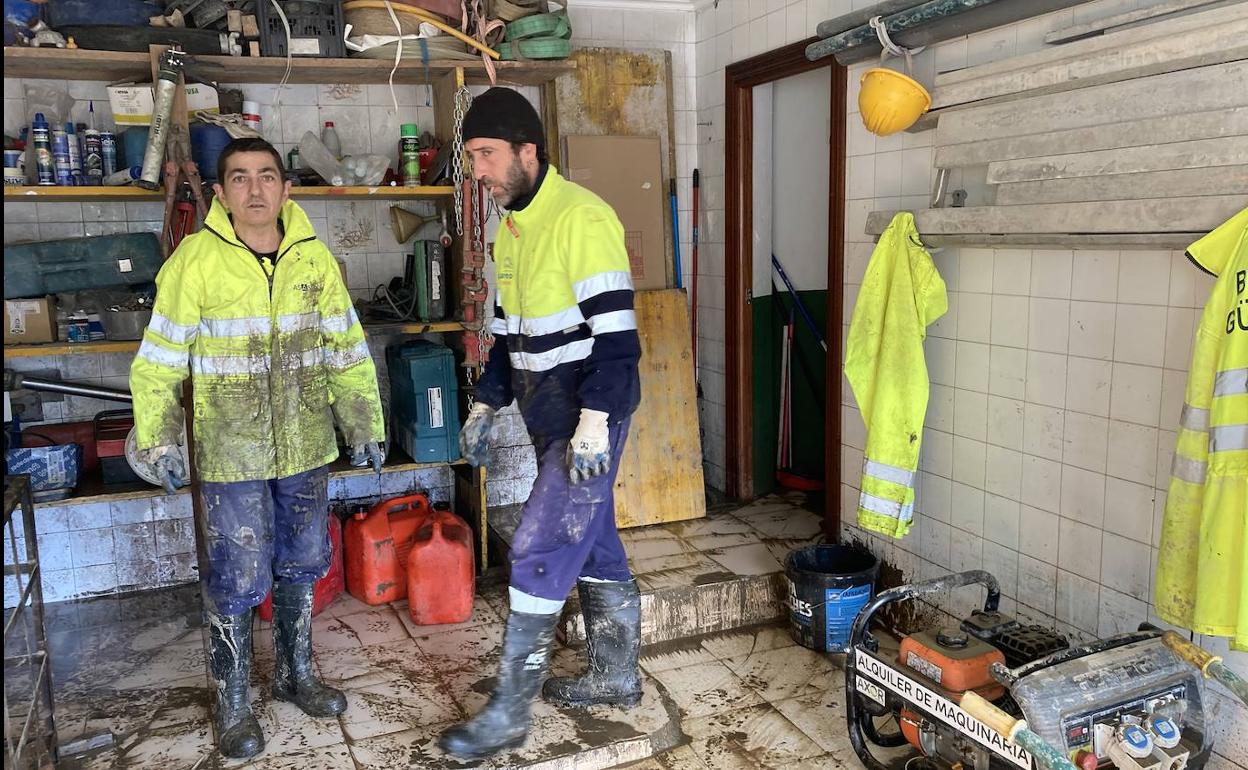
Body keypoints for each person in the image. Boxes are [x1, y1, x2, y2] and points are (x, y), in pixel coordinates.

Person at [129, 138, 386, 759]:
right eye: (239, 178)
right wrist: (160, 438)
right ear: (221, 193)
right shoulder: (195, 262)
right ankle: (233, 699)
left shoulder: (314, 260)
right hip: (231, 452)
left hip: (305, 446)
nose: (255, 189)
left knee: (303, 563)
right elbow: (159, 362)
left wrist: (363, 425)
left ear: (285, 188)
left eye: (267, 176)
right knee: (238, 577)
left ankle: (296, 674)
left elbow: (346, 353)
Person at [438, 87, 644, 761]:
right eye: (472, 158)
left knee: (538, 545)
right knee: (593, 537)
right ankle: (615, 675)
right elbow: (505, 336)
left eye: (488, 155)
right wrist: (486, 402)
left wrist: (594, 421)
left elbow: (617, 341)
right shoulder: (512, 227)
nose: (480, 172)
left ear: (528, 150)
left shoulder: (582, 219)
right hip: (544, 408)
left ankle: (508, 713)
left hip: (590, 410)